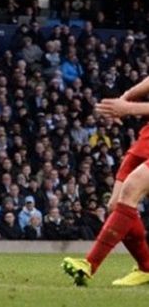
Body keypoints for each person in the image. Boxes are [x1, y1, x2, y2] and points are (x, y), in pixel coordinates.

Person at [63, 84, 149, 287]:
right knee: (116, 205)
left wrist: (129, 108)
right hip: (146, 138)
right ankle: (146, 267)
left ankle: (89, 264)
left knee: (131, 189)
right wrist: (124, 99)